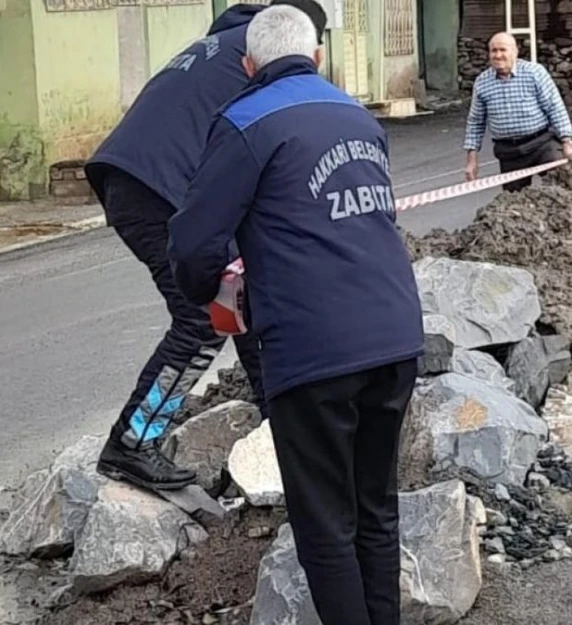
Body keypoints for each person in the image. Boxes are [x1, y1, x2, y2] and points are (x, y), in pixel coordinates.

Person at [166, 6, 424, 625]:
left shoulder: (246, 120)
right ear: (316, 58)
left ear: (248, 64)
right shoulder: (358, 116)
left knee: (326, 525)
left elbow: (193, 245)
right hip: (394, 336)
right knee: (376, 509)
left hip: (313, 350)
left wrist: (214, 294)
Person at [84, 0, 327, 492]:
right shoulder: (267, 64)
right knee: (202, 317)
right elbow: (276, 149)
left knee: (238, 298)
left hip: (136, 179)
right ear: (309, 44)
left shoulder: (224, 45)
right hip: (159, 187)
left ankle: (276, 422)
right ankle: (133, 442)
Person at [463, 31, 572, 191]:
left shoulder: (534, 73)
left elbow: (555, 108)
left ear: (515, 52)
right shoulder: (482, 83)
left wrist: (567, 143)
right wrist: (471, 160)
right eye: (493, 51)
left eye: (503, 50)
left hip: (541, 144)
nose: (498, 55)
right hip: (509, 152)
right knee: (513, 203)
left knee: (562, 187)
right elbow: (475, 122)